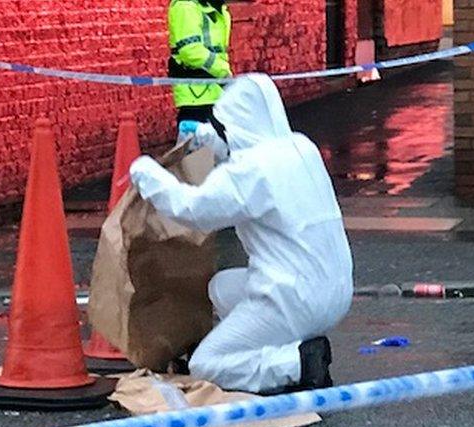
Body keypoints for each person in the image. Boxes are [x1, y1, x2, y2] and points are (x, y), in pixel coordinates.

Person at [129, 74, 354, 394]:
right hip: (333, 291)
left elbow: (192, 210)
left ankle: (294, 364)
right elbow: (245, 173)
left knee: (205, 364)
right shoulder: (302, 147)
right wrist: (218, 143)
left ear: (235, 125)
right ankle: (272, 347)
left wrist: (146, 173)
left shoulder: (251, 170)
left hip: (293, 297)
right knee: (221, 288)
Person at [168, 0, 232, 133]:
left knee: (216, 150)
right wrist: (223, 71)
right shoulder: (185, 6)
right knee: (199, 152)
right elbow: (190, 50)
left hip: (215, 92)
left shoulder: (218, 9)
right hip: (194, 96)